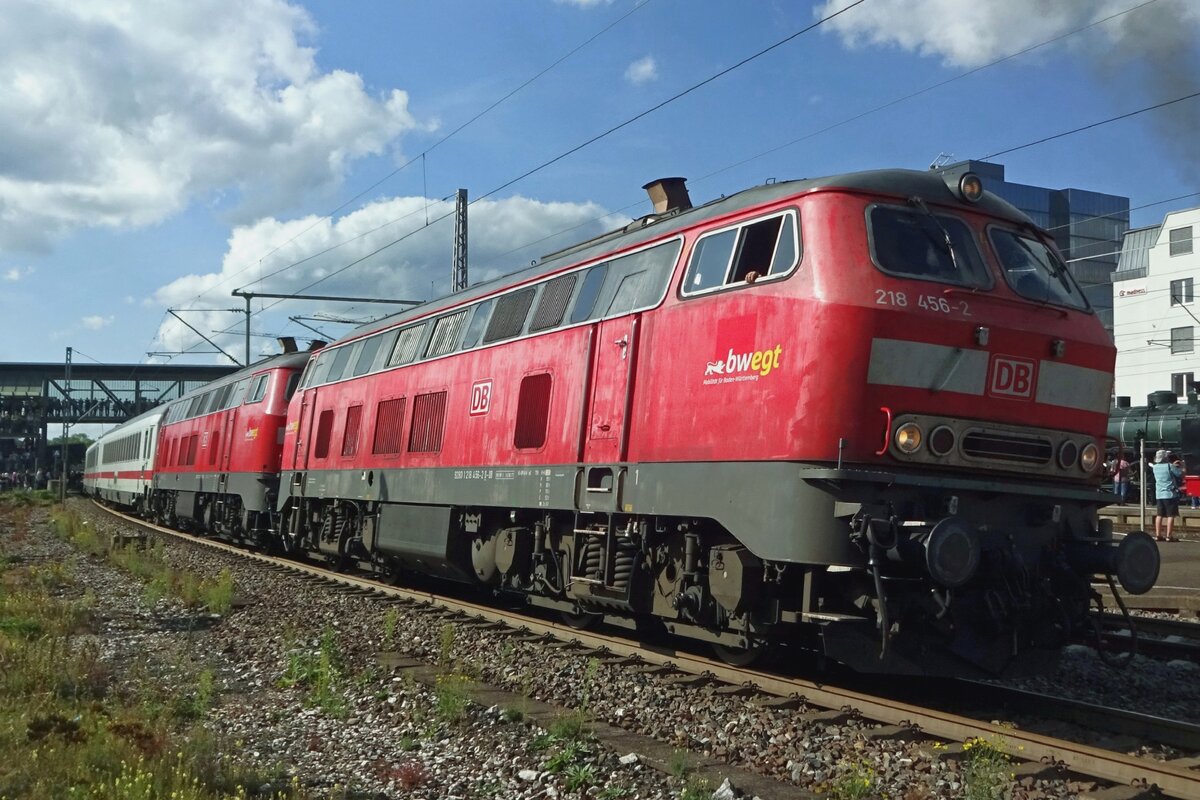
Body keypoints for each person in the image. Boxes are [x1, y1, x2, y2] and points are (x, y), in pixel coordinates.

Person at [1150, 449, 1183, 541]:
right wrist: (1179, 466)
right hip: (1169, 494)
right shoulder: (1169, 466)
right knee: (1170, 515)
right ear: (1165, 457)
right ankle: (1169, 536)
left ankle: (1158, 535)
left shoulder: (1155, 467)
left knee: (1159, 515)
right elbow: (1179, 474)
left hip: (1159, 494)